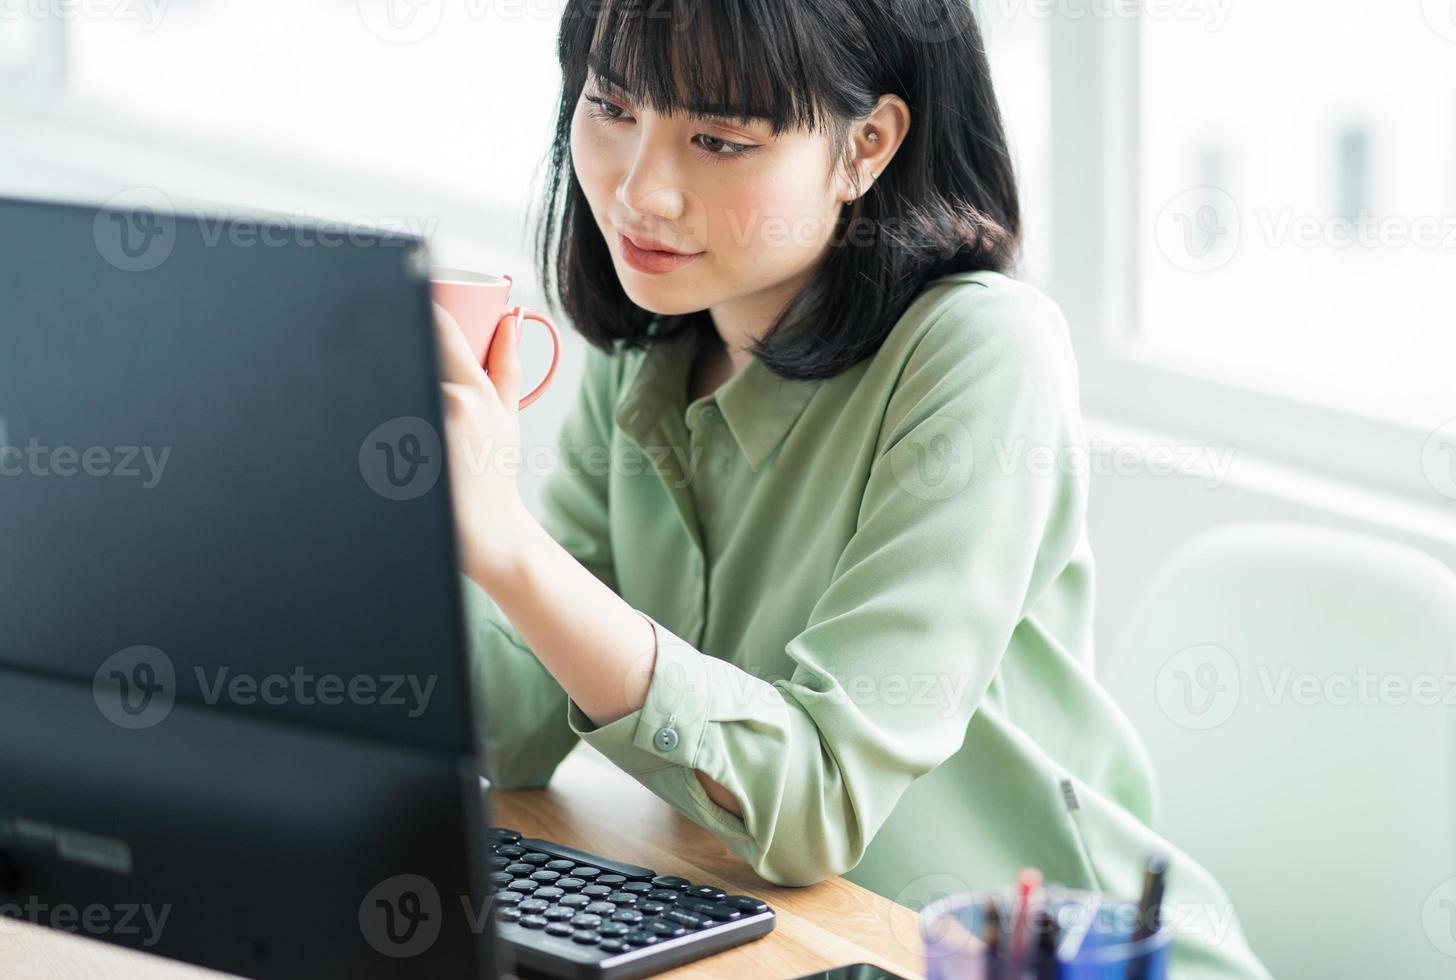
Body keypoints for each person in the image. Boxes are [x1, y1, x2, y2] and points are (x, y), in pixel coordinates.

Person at [432, 0, 1271, 975]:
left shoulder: (981, 349)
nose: (642, 190)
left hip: (1044, 960)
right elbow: (514, 724)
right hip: (796, 944)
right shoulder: (658, 341)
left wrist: (514, 553)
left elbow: (818, 801)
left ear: (865, 144)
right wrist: (407, 533)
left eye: (716, 137)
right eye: (611, 106)